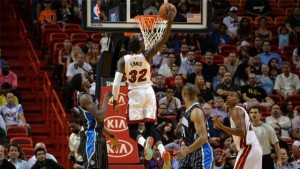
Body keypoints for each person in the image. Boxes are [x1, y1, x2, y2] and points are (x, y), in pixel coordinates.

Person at [112, 5, 175, 169]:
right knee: (151, 127)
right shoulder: (146, 55)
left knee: (132, 130)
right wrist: (169, 23)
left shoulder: (122, 61)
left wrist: (116, 101)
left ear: (127, 49)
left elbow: (116, 83)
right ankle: (162, 152)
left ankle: (143, 143)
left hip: (135, 93)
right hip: (149, 92)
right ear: (140, 46)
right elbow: (162, 41)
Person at [71, 73, 118, 169]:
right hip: (91, 137)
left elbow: (96, 122)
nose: (87, 79)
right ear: (83, 83)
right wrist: (106, 99)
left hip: (98, 135)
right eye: (85, 78)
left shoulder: (89, 97)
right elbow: (100, 116)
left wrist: (111, 135)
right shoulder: (85, 98)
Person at [213, 92, 262, 169]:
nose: (228, 97)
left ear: (237, 100)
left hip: (249, 148)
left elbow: (241, 133)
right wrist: (231, 151)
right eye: (228, 95)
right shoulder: (236, 111)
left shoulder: (237, 110)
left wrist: (221, 126)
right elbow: (238, 135)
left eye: (232, 95)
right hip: (252, 148)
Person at [173, 83, 213, 169]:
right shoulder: (189, 110)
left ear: (183, 94)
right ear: (197, 92)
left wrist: (187, 150)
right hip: (190, 149)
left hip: (200, 151)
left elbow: (203, 137)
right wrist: (179, 125)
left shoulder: (196, 111)